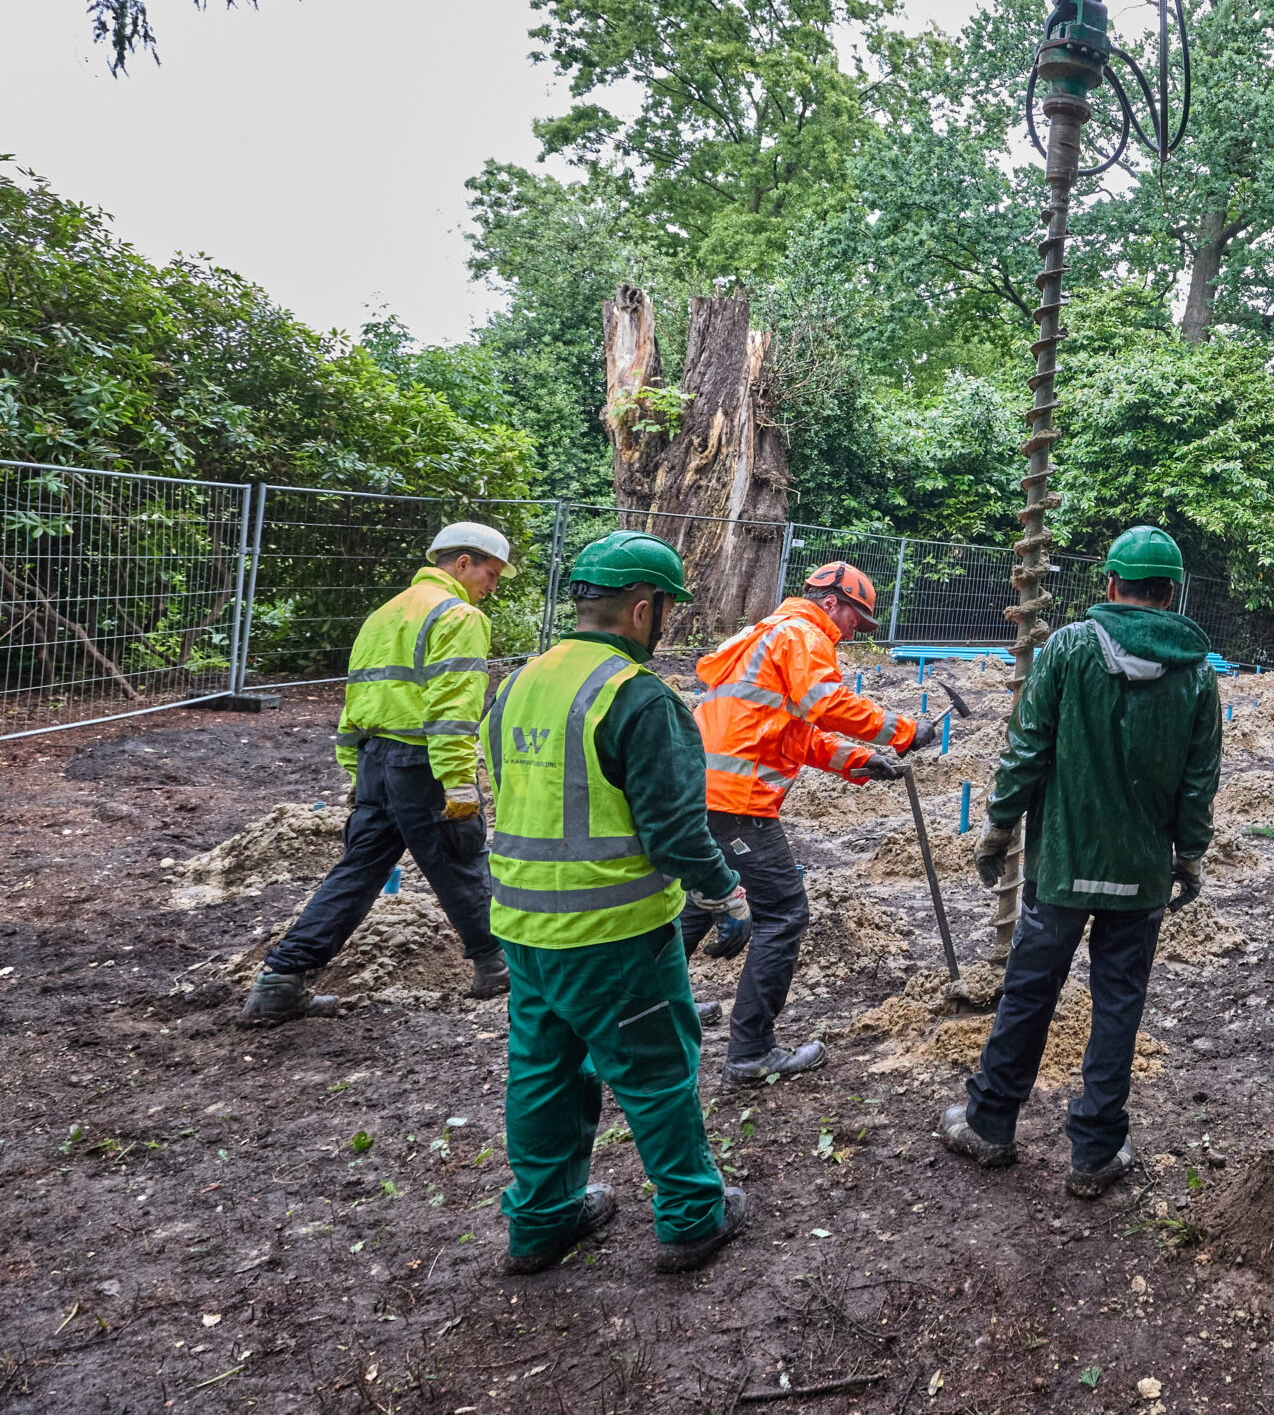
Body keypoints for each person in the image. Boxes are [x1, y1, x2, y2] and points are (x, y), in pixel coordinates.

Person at [480, 530, 752, 1277]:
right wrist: (724, 894)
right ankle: (693, 1217)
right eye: (663, 609)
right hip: (613, 930)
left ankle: (540, 1222)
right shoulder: (637, 696)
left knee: (543, 1074)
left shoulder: (521, 682)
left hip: (524, 928)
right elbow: (675, 830)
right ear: (642, 608)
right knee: (656, 1070)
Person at [940, 525, 1221, 1198]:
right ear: (1172, 592)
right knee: (1118, 1004)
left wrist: (999, 826)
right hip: (1143, 874)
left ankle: (989, 1123)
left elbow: (1028, 747)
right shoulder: (1198, 674)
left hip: (1061, 867)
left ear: (1110, 585)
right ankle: (1095, 1152)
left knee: (1029, 992)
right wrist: (1189, 856)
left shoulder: (1067, 649)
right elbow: (1198, 779)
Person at [244, 522, 514, 1024]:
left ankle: (280, 980)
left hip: (375, 762)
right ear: (461, 563)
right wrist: (457, 780)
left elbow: (356, 700)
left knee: (358, 872)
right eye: (491, 573)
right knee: (461, 861)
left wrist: (356, 771)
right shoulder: (459, 615)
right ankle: (496, 966)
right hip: (424, 764)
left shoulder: (383, 615)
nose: (492, 586)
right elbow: (453, 706)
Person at [687, 561, 918, 1084]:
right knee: (783, 913)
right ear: (832, 601)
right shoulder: (804, 633)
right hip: (739, 800)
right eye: (857, 618)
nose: (856, 630)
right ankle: (750, 1053)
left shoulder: (768, 635)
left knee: (698, 904)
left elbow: (798, 735)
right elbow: (825, 703)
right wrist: (901, 731)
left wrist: (860, 761)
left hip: (700, 796)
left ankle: (650, 1015)